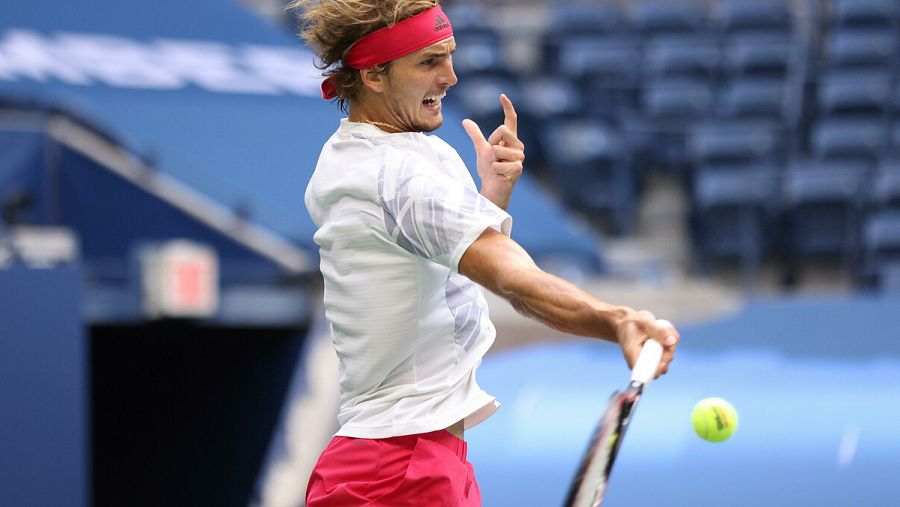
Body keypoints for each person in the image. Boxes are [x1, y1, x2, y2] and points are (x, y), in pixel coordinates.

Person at [290, 1, 681, 505]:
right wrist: (616, 318)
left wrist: (490, 199)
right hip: (397, 473)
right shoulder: (393, 175)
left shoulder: (385, 152)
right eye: (429, 62)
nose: (451, 76)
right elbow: (511, 278)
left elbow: (440, 267)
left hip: (417, 459)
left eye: (450, 56)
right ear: (373, 76)